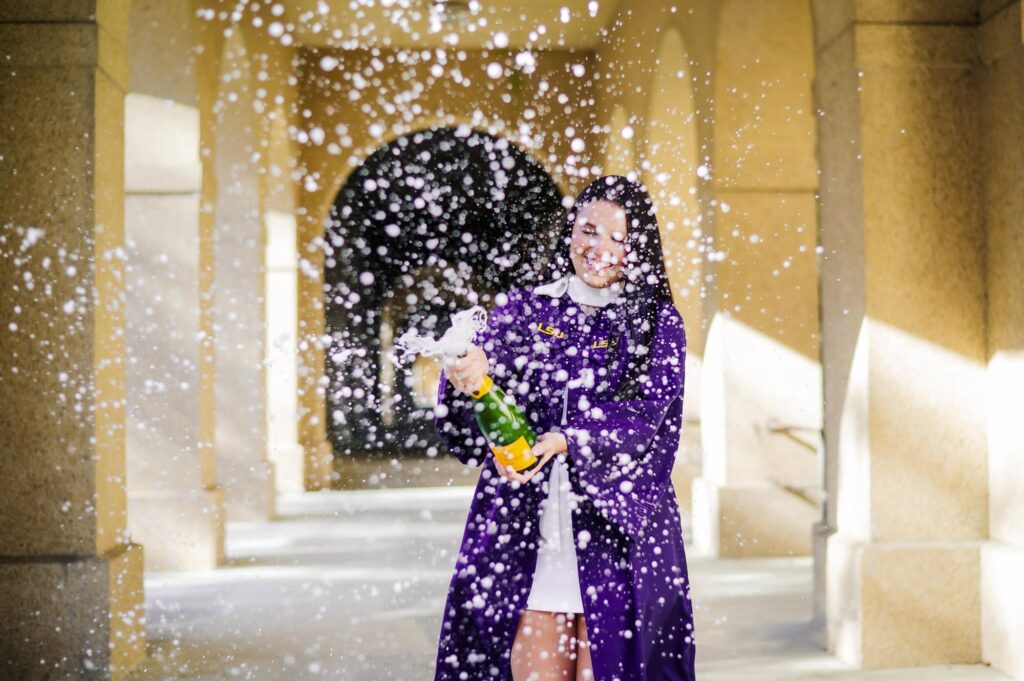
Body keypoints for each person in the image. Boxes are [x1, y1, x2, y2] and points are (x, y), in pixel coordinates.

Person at [432, 175, 695, 681]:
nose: (598, 249)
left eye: (618, 239)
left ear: (637, 248)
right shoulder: (523, 311)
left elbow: (647, 418)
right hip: (529, 537)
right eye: (588, 230)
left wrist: (571, 440)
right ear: (569, 231)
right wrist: (466, 371)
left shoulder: (656, 323)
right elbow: (481, 408)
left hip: (618, 538)